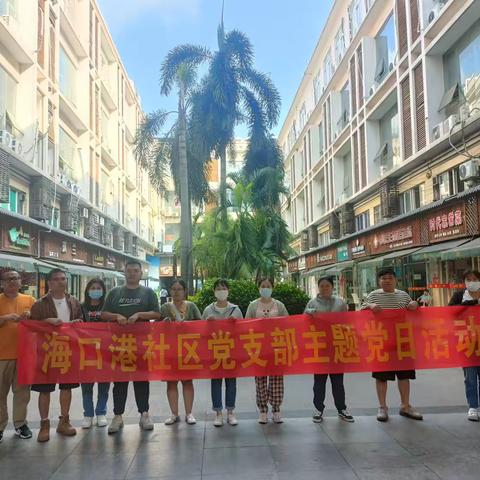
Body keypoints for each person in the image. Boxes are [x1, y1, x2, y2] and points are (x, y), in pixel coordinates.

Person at [102, 260, 161, 434]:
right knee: (119, 381)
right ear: (124, 272)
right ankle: (118, 416)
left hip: (142, 345)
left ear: (141, 274)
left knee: (141, 380)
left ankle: (144, 414)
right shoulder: (114, 292)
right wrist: (116, 316)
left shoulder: (149, 293)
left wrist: (139, 314)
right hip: (119, 345)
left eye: (136, 271)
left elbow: (157, 313)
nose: (133, 274)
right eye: (129, 271)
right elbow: (104, 314)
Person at [361, 267, 422, 422]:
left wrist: (415, 304)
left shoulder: (403, 295)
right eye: (383, 278)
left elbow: (414, 310)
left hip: (402, 341)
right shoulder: (373, 296)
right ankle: (382, 407)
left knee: (404, 375)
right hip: (381, 341)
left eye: (390, 278)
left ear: (395, 280)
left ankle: (405, 406)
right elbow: (360, 313)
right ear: (379, 281)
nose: (387, 280)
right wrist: (369, 306)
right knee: (381, 376)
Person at [30, 268, 84, 442]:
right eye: (57, 279)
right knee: (44, 389)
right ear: (50, 283)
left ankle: (64, 420)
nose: (62, 282)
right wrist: (46, 322)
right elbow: (31, 327)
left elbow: (81, 322)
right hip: (46, 351)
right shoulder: (40, 304)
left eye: (64, 278)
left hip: (68, 350)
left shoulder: (74, 301)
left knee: (66, 387)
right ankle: (44, 424)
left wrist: (77, 323)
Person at [304, 276, 354, 424]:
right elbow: (303, 322)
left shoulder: (340, 302)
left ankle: (341, 409)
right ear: (318, 288)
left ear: (332, 287)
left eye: (327, 286)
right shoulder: (312, 303)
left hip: (337, 346)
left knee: (338, 381)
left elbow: (348, 321)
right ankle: (318, 409)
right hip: (319, 348)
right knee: (319, 381)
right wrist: (308, 314)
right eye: (322, 286)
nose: (324, 288)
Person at [245, 278, 289, 424]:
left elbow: (288, 323)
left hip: (277, 347)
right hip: (258, 348)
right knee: (260, 380)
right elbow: (245, 325)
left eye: (268, 286)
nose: (265, 288)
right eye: (263, 286)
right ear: (258, 288)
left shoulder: (279, 305)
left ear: (272, 287)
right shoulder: (252, 305)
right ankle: (263, 410)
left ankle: (276, 410)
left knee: (277, 379)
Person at [0, 269, 35, 443]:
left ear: (21, 282)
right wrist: (4, 318)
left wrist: (30, 316)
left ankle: (20, 424)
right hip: (2, 355)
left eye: (15, 278)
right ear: (2, 283)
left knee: (22, 392)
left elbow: (39, 321)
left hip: (24, 354)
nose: (12, 281)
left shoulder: (29, 300)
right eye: (8, 279)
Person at [202, 279, 243, 427]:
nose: (221, 291)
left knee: (231, 382)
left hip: (231, 352)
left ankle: (230, 412)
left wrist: (236, 323)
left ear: (228, 291)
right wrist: (207, 323)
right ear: (214, 292)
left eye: (224, 288)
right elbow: (200, 333)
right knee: (216, 383)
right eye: (218, 289)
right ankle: (218, 413)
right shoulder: (208, 310)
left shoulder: (236, 310)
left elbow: (244, 332)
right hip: (214, 352)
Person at [160, 279, 202, 425]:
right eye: (174, 289)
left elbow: (200, 325)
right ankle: (174, 414)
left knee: (187, 381)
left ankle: (189, 413)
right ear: (170, 291)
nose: (176, 292)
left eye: (179, 289)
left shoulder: (192, 306)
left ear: (185, 291)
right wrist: (163, 324)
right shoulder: (165, 307)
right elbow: (157, 328)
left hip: (188, 350)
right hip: (170, 350)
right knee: (171, 383)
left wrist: (188, 326)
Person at [448, 269, 480, 422]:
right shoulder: (459, 295)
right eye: (468, 279)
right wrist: (463, 306)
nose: (471, 281)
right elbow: (449, 312)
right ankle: (473, 407)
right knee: (470, 377)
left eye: (474, 278)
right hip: (466, 341)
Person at [80, 278, 110, 429]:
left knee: (104, 383)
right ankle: (88, 414)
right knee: (86, 384)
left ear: (103, 290)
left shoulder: (108, 307)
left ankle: (101, 412)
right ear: (87, 290)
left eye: (99, 287)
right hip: (86, 352)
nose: (95, 290)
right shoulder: (81, 307)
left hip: (105, 351)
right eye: (93, 287)